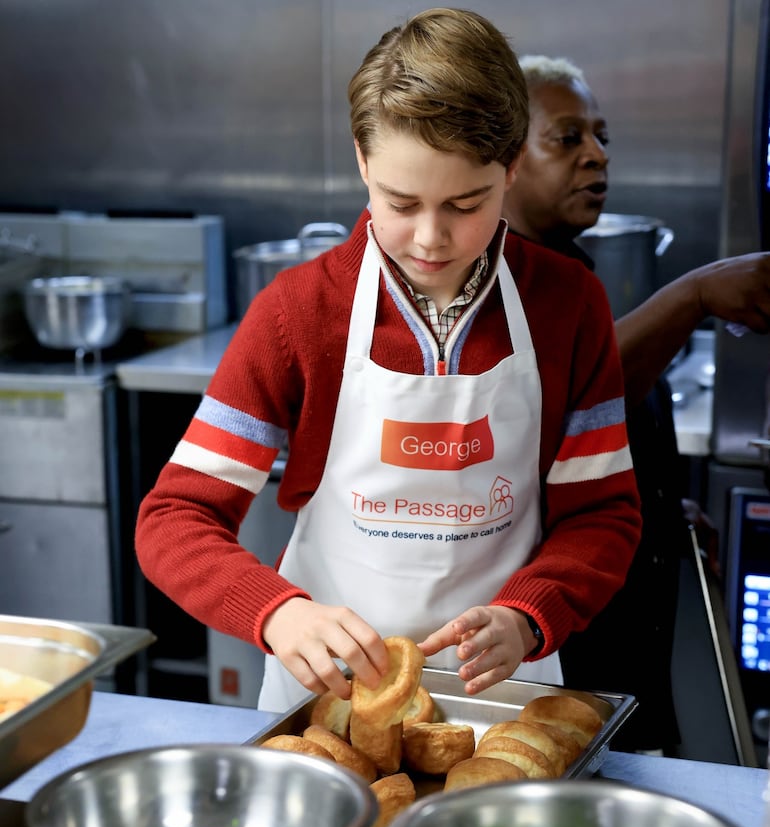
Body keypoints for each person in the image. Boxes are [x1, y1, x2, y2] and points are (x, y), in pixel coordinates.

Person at [135, 9, 641, 715]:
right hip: (327, 697)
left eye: (466, 203)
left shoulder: (569, 306)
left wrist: (529, 615)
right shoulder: (299, 312)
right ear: (363, 161)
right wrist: (279, 613)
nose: (431, 238)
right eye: (401, 202)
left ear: (511, 167)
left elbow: (605, 514)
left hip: (500, 695)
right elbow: (175, 516)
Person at [503, 54, 770, 753]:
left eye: (601, 136)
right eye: (567, 138)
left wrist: (656, 505)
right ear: (501, 156)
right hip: (555, 651)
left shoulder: (572, 276)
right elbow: (573, 398)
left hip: (625, 634)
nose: (596, 156)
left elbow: (597, 440)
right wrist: (695, 294)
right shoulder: (489, 284)